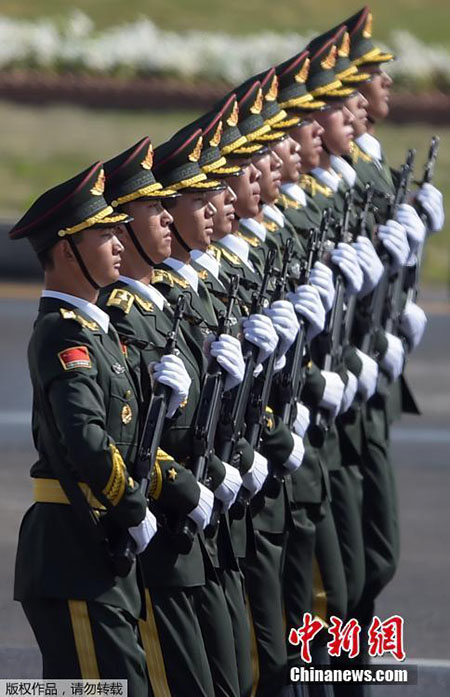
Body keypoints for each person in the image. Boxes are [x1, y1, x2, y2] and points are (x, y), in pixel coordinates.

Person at [10, 162, 155, 694]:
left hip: (93, 548)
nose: (120, 243)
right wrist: (134, 506)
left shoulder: (100, 332)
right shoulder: (61, 334)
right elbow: (87, 441)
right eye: (104, 234)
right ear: (68, 250)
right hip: (73, 549)